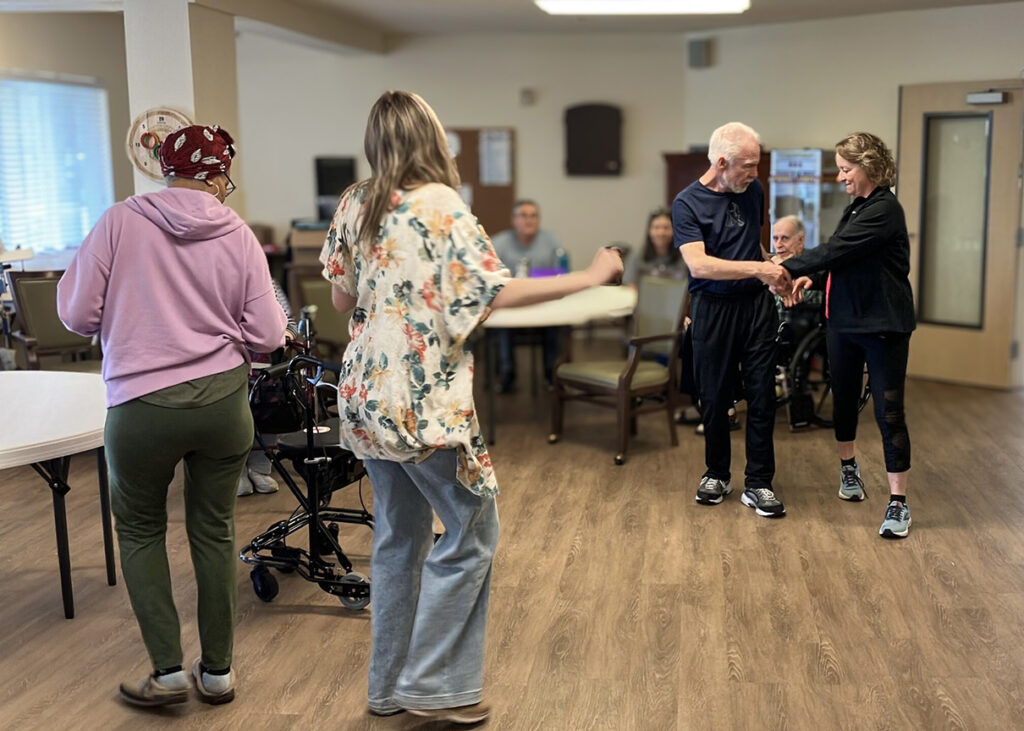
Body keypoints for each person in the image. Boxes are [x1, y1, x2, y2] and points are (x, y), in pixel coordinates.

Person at [320, 90, 622, 724]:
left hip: (364, 394)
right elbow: (496, 293)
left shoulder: (354, 201)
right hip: (420, 398)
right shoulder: (439, 205)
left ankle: (387, 689)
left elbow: (345, 297)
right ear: (431, 138)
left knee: (399, 539)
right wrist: (594, 276)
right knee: (472, 533)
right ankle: (431, 684)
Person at [57, 124, 287, 707]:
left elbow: (77, 315)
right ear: (216, 175)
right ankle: (218, 675)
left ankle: (165, 675)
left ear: (166, 169)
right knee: (213, 531)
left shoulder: (119, 221)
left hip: (140, 408)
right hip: (222, 406)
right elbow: (269, 333)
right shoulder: (238, 234)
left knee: (139, 531)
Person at [781, 132, 916, 538]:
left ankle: (898, 504)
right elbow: (842, 260)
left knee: (889, 412)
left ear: (868, 166)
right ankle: (849, 471)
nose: (840, 178)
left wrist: (786, 265)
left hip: (882, 327)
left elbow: (837, 249)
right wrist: (809, 274)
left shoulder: (885, 209)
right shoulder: (857, 208)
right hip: (843, 323)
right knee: (843, 401)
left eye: (845, 169)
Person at [673, 121, 791, 518]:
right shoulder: (686, 203)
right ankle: (717, 473)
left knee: (762, 396)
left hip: (755, 308)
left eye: (757, 166)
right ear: (721, 162)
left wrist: (772, 270)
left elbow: (752, 245)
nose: (755, 175)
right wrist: (758, 269)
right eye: (747, 166)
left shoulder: (751, 190)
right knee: (715, 397)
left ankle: (759, 483)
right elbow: (700, 265)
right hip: (712, 309)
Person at [489, 199, 563, 391]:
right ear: (513, 220)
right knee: (504, 323)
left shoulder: (551, 241)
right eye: (523, 215)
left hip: (542, 303)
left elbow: (560, 273)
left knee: (555, 323)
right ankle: (508, 373)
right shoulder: (499, 242)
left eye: (533, 216)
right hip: (511, 303)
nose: (529, 220)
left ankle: (550, 374)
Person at [622, 208, 687, 286]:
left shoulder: (683, 257)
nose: (661, 233)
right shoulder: (636, 256)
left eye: (666, 228)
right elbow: (630, 286)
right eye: (656, 227)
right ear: (649, 231)